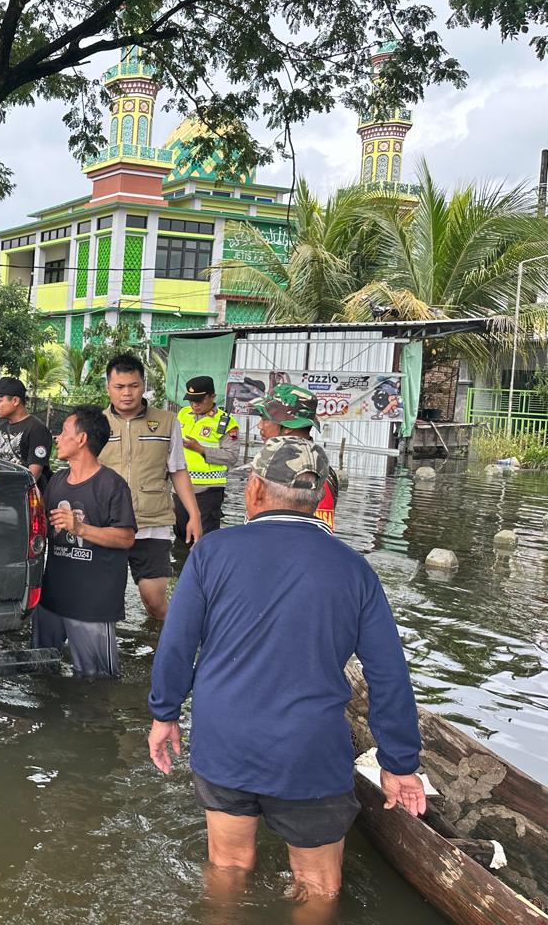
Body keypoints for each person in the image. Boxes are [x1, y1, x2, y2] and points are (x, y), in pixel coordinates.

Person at [147, 436, 425, 915]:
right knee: (318, 885)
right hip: (310, 750)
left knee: (228, 865)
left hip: (225, 738)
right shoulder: (354, 569)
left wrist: (164, 714)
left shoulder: (212, 553)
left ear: (254, 489)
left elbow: (177, 643)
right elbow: (388, 674)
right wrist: (399, 763)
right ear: (319, 498)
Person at [97, 353, 202, 621]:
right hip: (107, 524)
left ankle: (169, 650)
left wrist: (194, 515)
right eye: (119, 387)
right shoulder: (96, 424)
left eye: (133, 385)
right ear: (108, 387)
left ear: (144, 385)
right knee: (102, 599)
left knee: (155, 602)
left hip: (152, 524)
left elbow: (178, 470)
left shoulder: (167, 421)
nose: (127, 393)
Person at [34, 405, 137, 678]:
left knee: (96, 683)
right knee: (40, 674)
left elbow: (126, 538)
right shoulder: (56, 480)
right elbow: (41, 530)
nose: (57, 437)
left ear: (81, 440)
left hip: (92, 604)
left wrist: (80, 528)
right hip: (50, 598)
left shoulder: (111, 485)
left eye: (64, 431)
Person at [250, 383, 339, 530]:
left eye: (264, 419)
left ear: (289, 425)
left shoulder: (314, 474)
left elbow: (319, 535)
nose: (259, 426)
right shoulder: (272, 460)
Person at [176, 376, 240, 540]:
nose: (194, 405)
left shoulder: (226, 423)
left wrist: (201, 449)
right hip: (180, 488)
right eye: (191, 400)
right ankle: (181, 565)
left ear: (212, 396)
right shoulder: (183, 414)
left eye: (199, 400)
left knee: (204, 538)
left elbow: (231, 456)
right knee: (181, 534)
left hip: (207, 491)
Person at [0, 376, 53, 490]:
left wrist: (14, 492)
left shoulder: (37, 429)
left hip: (26, 498)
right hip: (1, 494)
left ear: (15, 401)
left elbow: (34, 473)